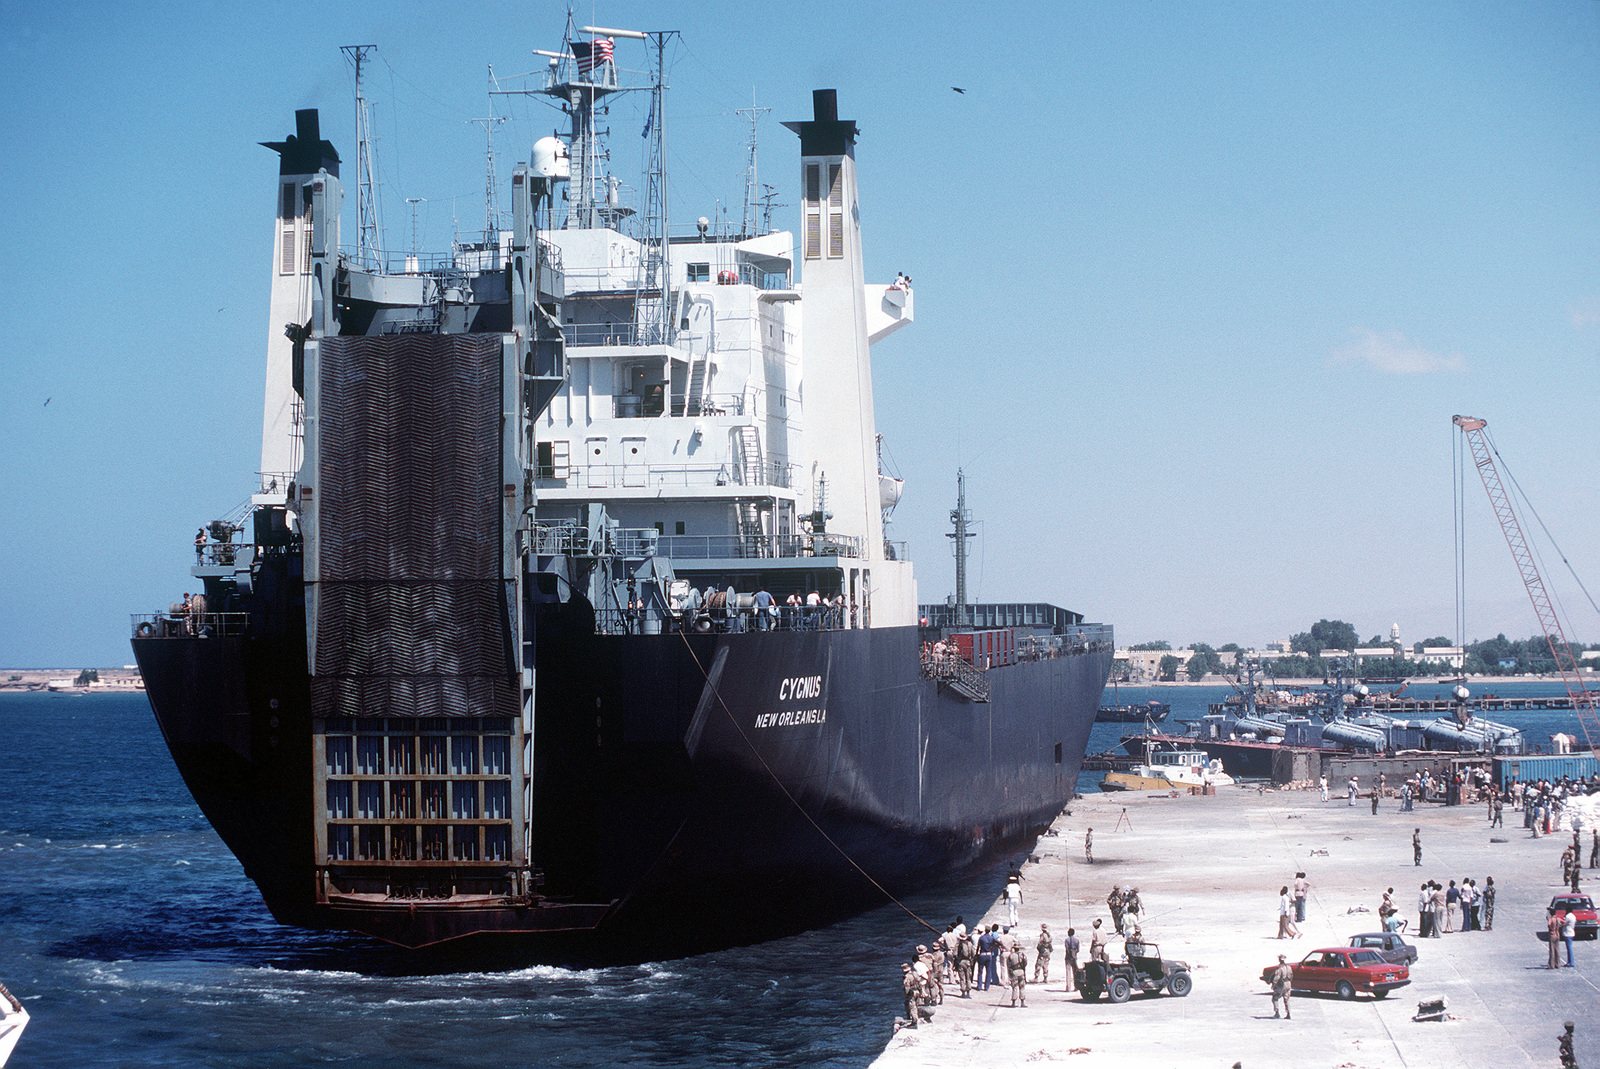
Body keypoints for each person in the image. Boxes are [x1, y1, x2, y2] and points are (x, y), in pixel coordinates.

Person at [1270, 953, 1293, 1019]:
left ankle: (1277, 1012)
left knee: (1275, 997)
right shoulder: (1289, 967)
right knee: (1286, 999)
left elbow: (1277, 977)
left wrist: (1274, 984)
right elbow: (1291, 976)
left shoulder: (1280, 968)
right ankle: (1288, 1013)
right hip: (1288, 983)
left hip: (1282, 984)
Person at [954, 929, 976, 997]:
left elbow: (954, 954)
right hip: (968, 962)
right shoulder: (969, 944)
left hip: (961, 962)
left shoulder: (958, 945)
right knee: (968, 977)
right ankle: (968, 992)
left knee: (962, 978)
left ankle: (963, 992)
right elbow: (973, 954)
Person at [976, 925, 997, 991]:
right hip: (988, 954)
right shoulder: (991, 938)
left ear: (985, 930)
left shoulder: (981, 938)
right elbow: (995, 944)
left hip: (982, 954)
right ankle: (986, 986)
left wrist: (977, 954)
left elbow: (978, 947)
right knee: (988, 971)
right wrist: (991, 949)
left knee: (980, 971)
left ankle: (979, 986)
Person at [900, 963, 920, 1027]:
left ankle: (914, 1023)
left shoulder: (907, 977)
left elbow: (907, 987)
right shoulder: (914, 973)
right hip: (917, 991)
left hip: (912, 993)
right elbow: (919, 981)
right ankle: (916, 1019)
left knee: (912, 1007)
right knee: (916, 1006)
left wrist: (906, 994)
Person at [1063, 926, 1080, 991]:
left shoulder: (1067, 940)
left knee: (1068, 972)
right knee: (1075, 972)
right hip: (1074, 957)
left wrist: (1069, 955)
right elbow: (1078, 950)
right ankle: (1076, 986)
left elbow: (1067, 949)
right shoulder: (1077, 940)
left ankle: (1068, 987)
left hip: (1068, 957)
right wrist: (1074, 954)